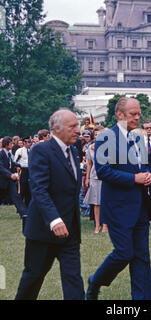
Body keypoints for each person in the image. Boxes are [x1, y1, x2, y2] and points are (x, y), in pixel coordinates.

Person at [86, 97, 151, 300]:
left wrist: (147, 174)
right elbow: (103, 171)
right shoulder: (106, 137)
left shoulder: (139, 137)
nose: (137, 117)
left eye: (139, 113)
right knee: (124, 253)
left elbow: (143, 165)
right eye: (133, 113)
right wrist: (134, 178)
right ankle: (95, 281)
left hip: (140, 205)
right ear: (119, 114)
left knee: (141, 257)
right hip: (117, 207)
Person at [15, 109, 85, 300]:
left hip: (69, 231)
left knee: (73, 279)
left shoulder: (74, 151)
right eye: (72, 126)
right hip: (44, 230)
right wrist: (54, 220)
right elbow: (39, 189)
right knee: (33, 276)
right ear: (56, 128)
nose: (78, 130)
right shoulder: (41, 150)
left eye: (77, 125)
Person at [0, 136, 28, 229]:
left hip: (9, 181)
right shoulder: (1, 153)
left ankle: (23, 213)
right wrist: (10, 175)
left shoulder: (7, 154)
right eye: (11, 143)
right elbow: (1, 168)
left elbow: (11, 163)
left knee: (16, 196)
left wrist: (20, 165)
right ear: (7, 144)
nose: (12, 145)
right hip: (3, 181)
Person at [84, 126, 108, 233]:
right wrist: (87, 178)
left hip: (107, 176)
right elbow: (89, 164)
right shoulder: (90, 148)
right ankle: (97, 226)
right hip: (94, 176)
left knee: (105, 201)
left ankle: (105, 225)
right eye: (96, 134)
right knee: (96, 202)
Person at [14, 137, 32, 207]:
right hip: (23, 170)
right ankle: (20, 207)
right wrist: (17, 170)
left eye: (30, 142)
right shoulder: (20, 151)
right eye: (28, 142)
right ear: (24, 142)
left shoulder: (31, 150)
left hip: (29, 170)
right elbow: (15, 161)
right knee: (22, 189)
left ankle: (27, 206)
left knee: (28, 189)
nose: (29, 143)